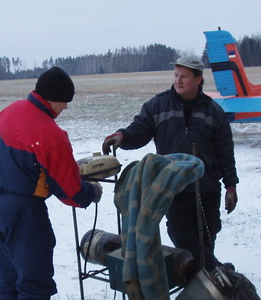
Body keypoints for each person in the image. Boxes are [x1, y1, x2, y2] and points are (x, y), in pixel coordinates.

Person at [0, 67, 102, 300]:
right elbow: (70, 190)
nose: (65, 109)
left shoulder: (7, 113)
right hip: (24, 210)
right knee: (33, 277)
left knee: (7, 275)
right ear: (53, 99)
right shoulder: (50, 134)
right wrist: (92, 192)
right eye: (65, 103)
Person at [102, 55, 238, 272]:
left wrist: (231, 185)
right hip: (172, 187)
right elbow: (139, 130)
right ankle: (219, 277)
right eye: (176, 75)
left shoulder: (214, 112)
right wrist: (122, 136)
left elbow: (225, 152)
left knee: (207, 239)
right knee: (183, 238)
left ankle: (208, 283)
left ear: (198, 79)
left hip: (207, 188)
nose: (178, 80)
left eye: (184, 76)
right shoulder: (157, 106)